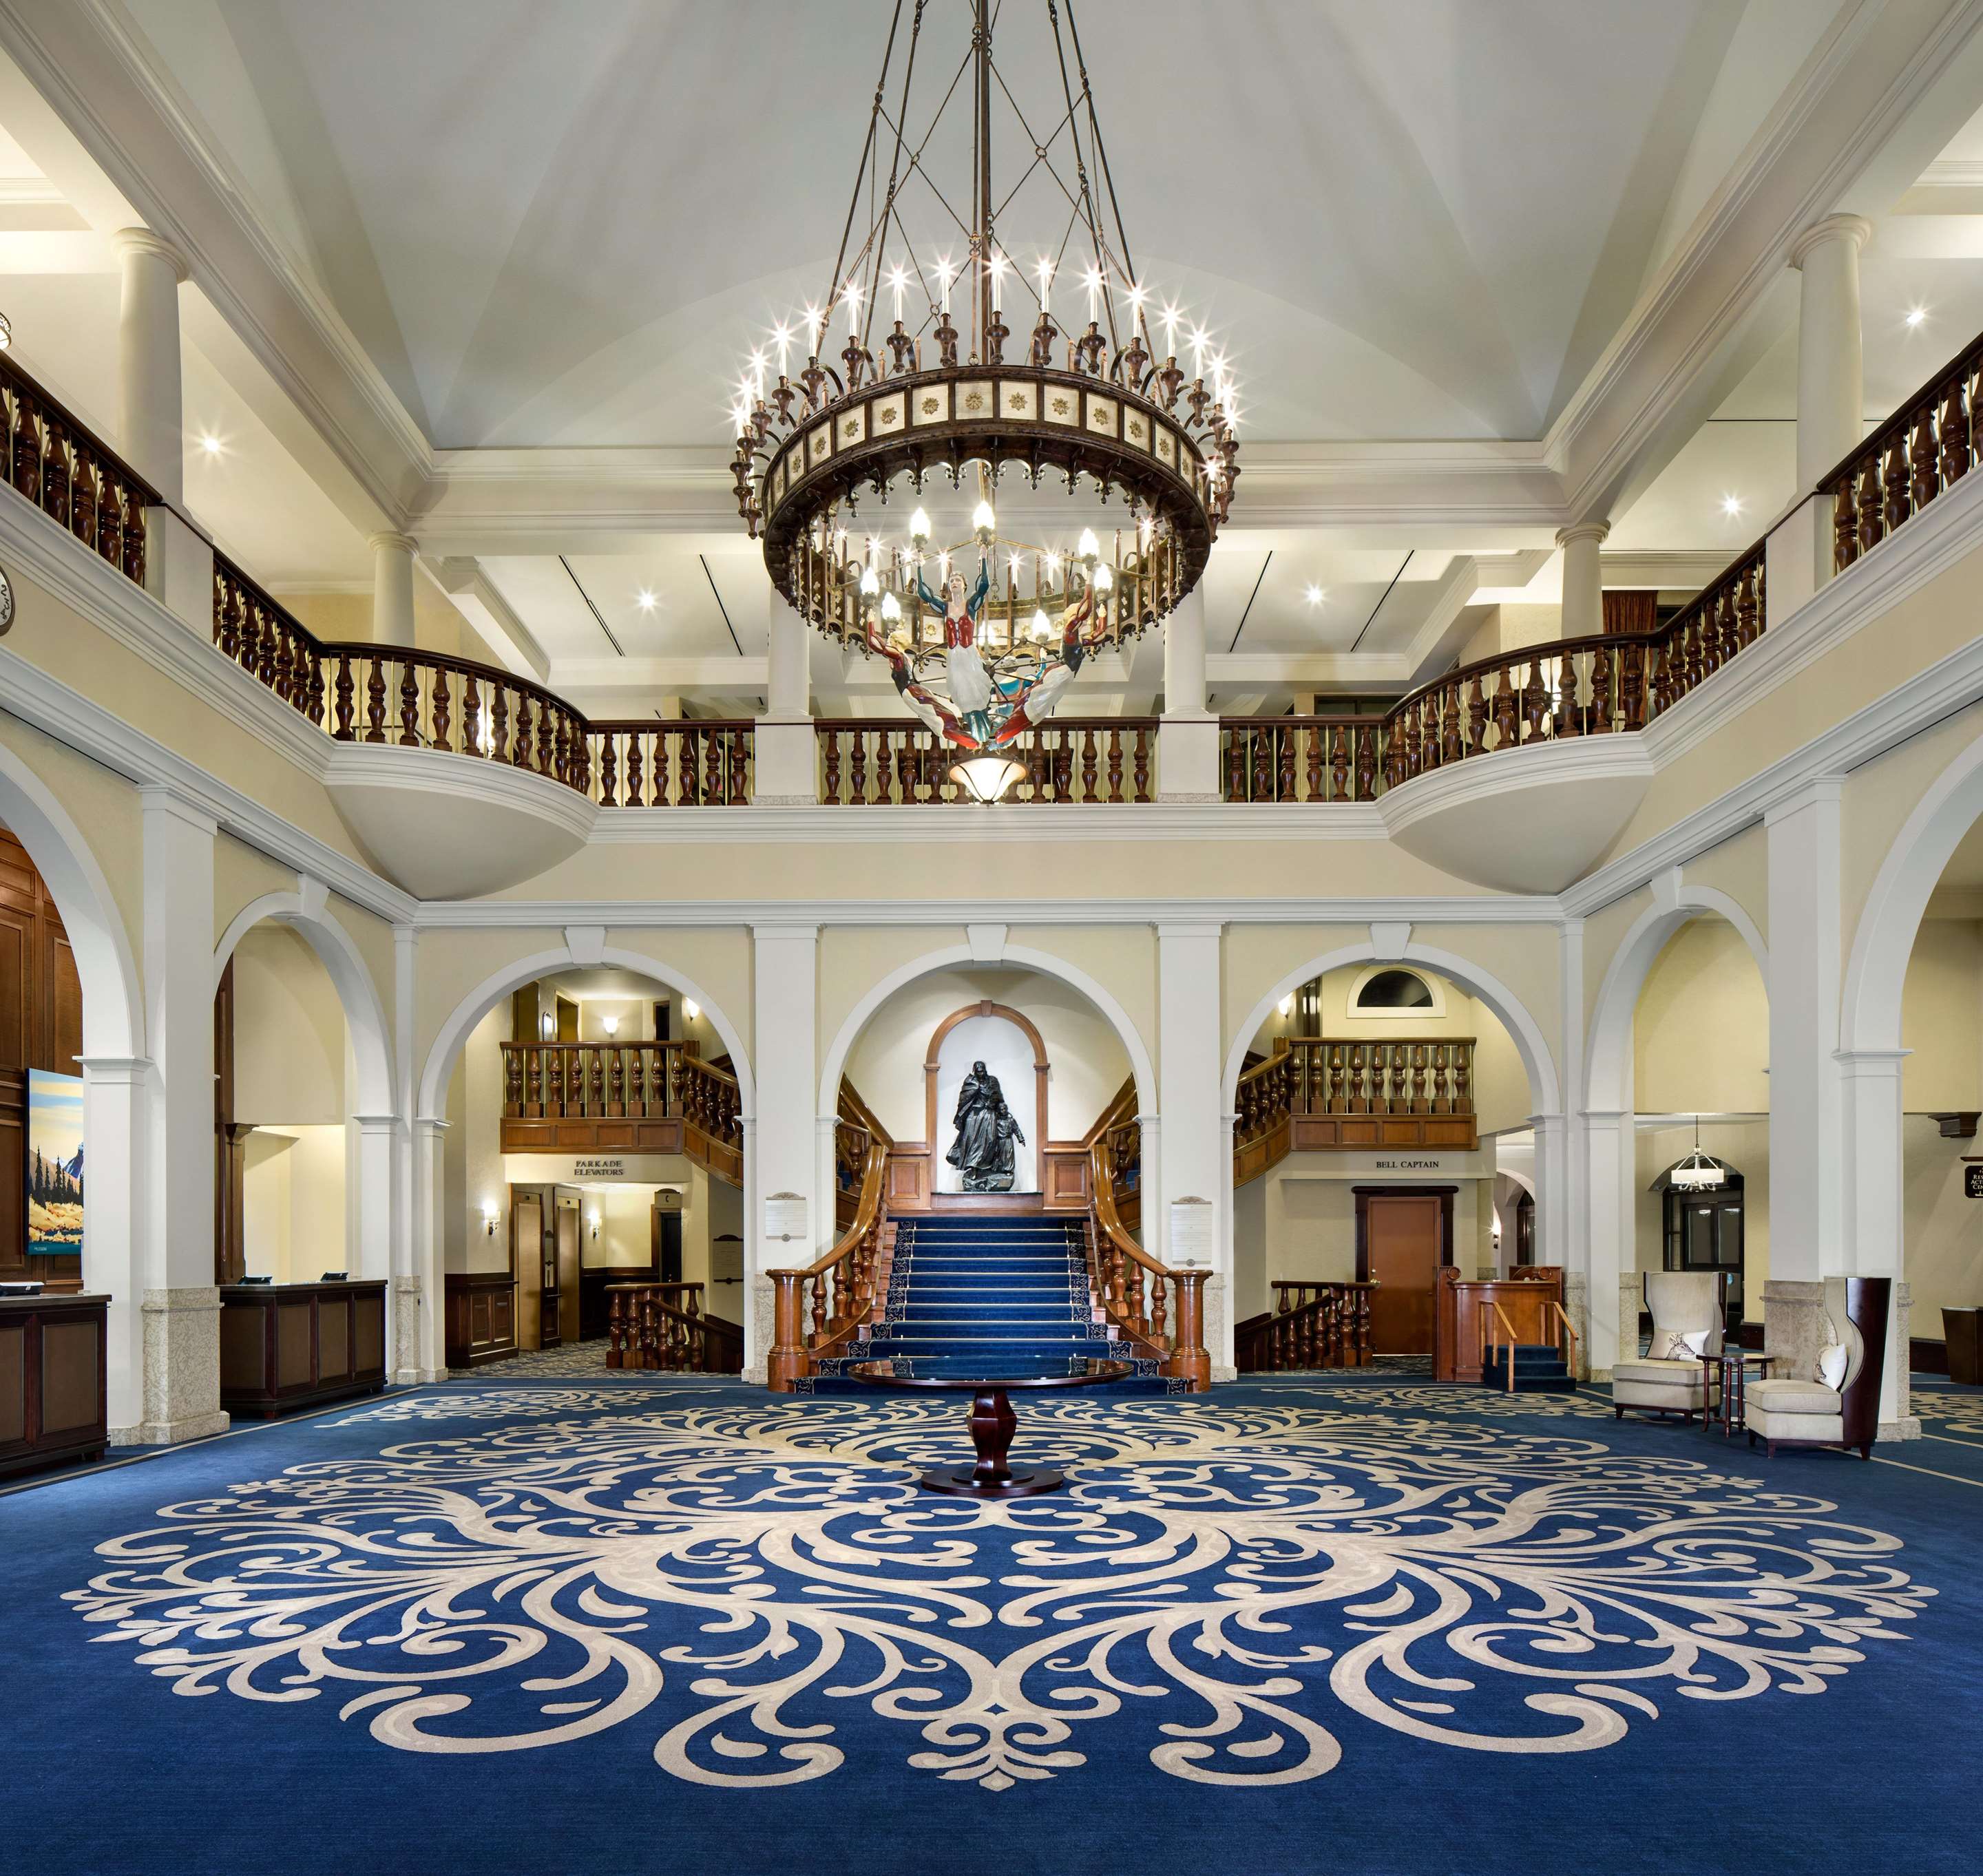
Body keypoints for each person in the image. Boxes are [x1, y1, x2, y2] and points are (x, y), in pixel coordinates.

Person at [947, 1059, 1022, 1191]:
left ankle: (987, 1169)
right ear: (974, 1071)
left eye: (982, 1071)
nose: (980, 1074)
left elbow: (1000, 1098)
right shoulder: (970, 1082)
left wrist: (1001, 1111)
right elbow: (963, 1100)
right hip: (974, 1115)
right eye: (978, 1071)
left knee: (990, 1141)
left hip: (989, 1114)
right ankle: (973, 1168)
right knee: (972, 1141)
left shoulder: (993, 1081)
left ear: (985, 1071)